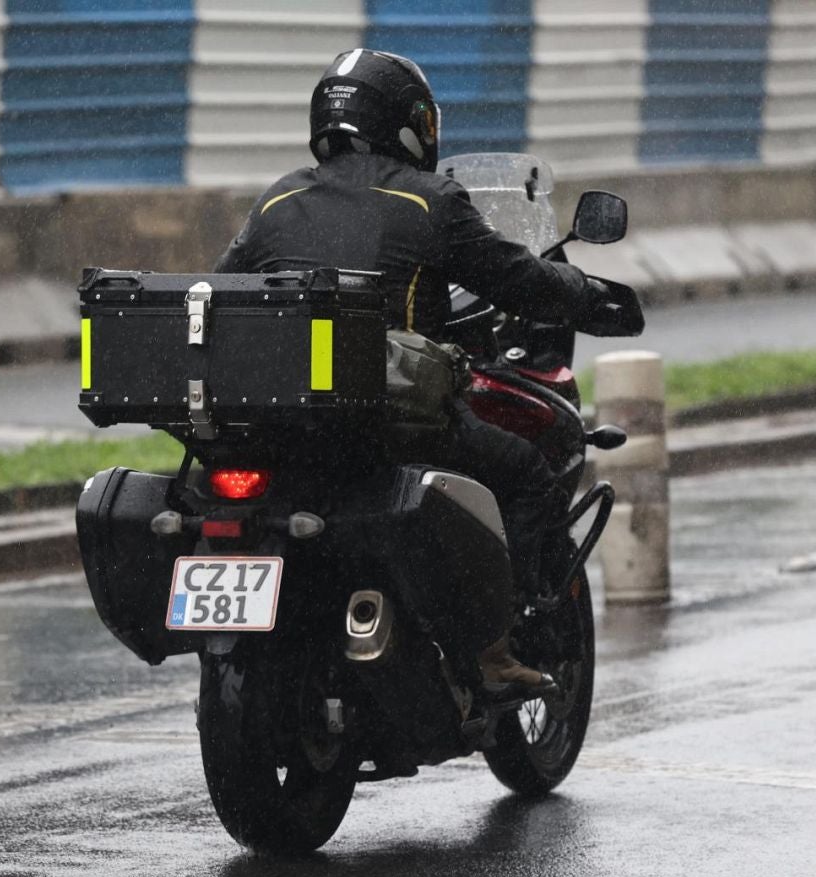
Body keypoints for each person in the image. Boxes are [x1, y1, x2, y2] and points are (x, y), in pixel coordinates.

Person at [214, 48, 643, 692]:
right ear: (406, 123)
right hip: (392, 423)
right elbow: (516, 277)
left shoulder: (279, 200)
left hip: (284, 425)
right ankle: (494, 653)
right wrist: (583, 292)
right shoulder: (428, 201)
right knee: (526, 475)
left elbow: (223, 291)